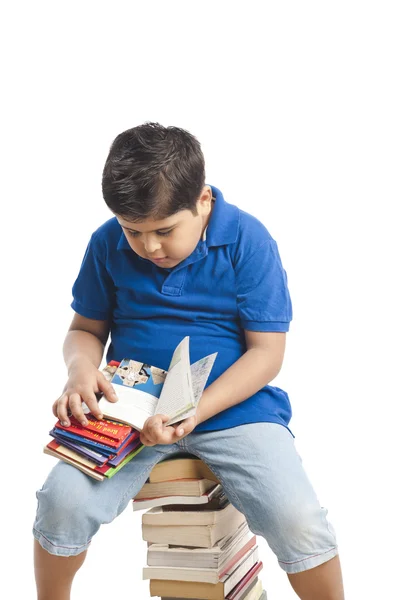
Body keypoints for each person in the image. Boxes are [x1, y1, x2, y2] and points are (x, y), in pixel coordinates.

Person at [33, 122, 345, 600]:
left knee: (297, 517)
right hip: (128, 405)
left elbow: (267, 353)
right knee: (62, 501)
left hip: (232, 407)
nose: (149, 247)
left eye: (164, 230)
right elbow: (84, 330)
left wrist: (193, 413)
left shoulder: (248, 239)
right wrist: (80, 370)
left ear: (202, 201)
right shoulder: (105, 242)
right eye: (133, 231)